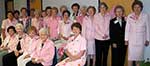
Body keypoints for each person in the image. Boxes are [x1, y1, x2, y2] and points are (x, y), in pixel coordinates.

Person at [125, 1, 149, 66]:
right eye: (135, 7)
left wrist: (148, 39)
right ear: (133, 8)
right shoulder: (130, 16)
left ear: (141, 8)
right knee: (130, 58)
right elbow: (127, 29)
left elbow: (148, 28)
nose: (137, 9)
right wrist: (126, 39)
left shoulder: (145, 16)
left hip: (141, 40)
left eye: (138, 7)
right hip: (131, 40)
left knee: (138, 58)